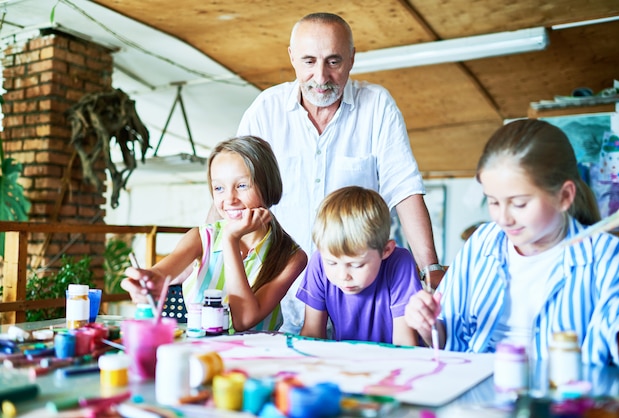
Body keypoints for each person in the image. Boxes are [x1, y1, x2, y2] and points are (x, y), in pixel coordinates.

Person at [234, 12, 443, 334]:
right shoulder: (265, 110)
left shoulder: (377, 106)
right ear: (291, 57)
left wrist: (431, 269)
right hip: (277, 288)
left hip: (361, 297)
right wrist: (202, 259)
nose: (321, 76)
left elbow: (404, 188)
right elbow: (232, 192)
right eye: (308, 61)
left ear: (352, 58)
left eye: (333, 62)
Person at [404, 119, 619, 365]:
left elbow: (616, 345)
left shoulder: (606, 255)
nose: (503, 218)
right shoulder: (482, 243)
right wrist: (428, 323)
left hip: (562, 397)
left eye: (519, 204)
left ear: (564, 196)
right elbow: (448, 339)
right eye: (493, 202)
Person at [121, 135, 308, 332]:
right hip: (199, 355)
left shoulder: (291, 256)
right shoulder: (201, 238)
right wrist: (147, 282)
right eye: (219, 188)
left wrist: (230, 239)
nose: (229, 199)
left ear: (267, 185)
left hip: (255, 358)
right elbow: (160, 274)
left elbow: (244, 319)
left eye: (242, 185)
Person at [296, 186, 421, 346]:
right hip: (345, 363)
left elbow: (405, 344)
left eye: (356, 265)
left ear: (386, 250)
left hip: (392, 363)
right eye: (332, 263)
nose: (343, 276)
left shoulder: (400, 264)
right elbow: (312, 334)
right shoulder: (319, 261)